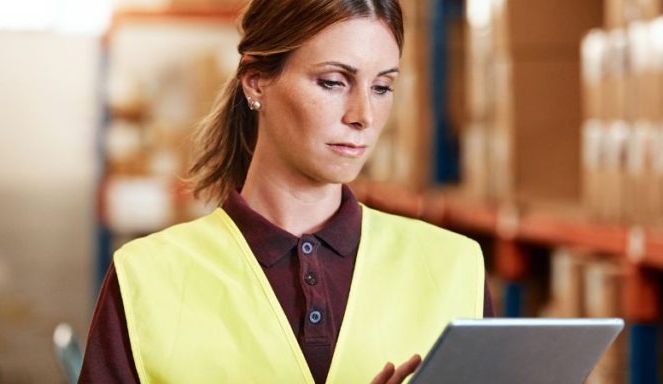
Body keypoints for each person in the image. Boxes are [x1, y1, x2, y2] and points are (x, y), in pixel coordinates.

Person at [79, 0, 491, 382]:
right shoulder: (146, 278)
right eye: (333, 82)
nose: (363, 115)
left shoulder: (456, 267)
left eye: (382, 87)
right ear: (256, 81)